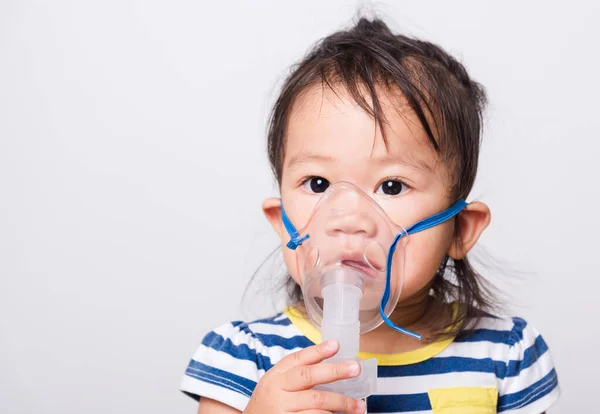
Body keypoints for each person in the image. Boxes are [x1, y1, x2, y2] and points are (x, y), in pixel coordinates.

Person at [180, 17, 560, 414]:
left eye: (392, 186)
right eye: (318, 184)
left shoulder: (506, 357)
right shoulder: (243, 360)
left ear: (460, 230)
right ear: (281, 223)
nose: (348, 218)